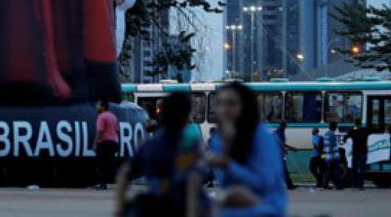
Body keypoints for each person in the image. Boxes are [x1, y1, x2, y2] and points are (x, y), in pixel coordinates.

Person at [115, 93, 204, 217]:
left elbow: (124, 173)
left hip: (155, 204)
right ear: (186, 115)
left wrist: (120, 209)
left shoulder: (148, 145)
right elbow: (193, 181)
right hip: (181, 204)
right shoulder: (189, 145)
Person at [208, 82, 287, 216]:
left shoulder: (262, 136)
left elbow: (264, 183)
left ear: (245, 106)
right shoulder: (218, 138)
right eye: (219, 104)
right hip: (233, 205)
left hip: (265, 206)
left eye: (231, 104)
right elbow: (224, 182)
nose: (224, 110)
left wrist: (228, 163)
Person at [93, 100, 120, 190]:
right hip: (114, 142)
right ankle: (121, 181)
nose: (97, 107)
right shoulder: (113, 116)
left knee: (101, 164)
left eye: (98, 105)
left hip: (105, 142)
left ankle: (102, 184)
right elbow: (117, 130)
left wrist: (96, 142)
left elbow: (100, 130)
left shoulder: (101, 117)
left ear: (103, 107)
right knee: (111, 164)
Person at [346, 120, 368, 189]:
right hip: (362, 152)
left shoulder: (353, 130)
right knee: (361, 170)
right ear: (360, 124)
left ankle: (355, 184)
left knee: (354, 169)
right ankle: (360, 185)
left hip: (355, 152)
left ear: (355, 124)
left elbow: (347, 136)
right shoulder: (364, 130)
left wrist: (353, 129)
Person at [275, 121, 296, 190]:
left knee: (282, 170)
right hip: (278, 154)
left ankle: (289, 184)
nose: (287, 127)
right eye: (286, 125)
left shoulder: (280, 131)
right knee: (284, 170)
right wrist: (284, 149)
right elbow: (280, 143)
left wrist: (291, 148)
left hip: (278, 153)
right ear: (283, 126)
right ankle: (289, 185)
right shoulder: (279, 132)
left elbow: (282, 143)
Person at [323, 121, 342, 190]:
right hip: (333, 156)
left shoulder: (326, 134)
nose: (337, 127)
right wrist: (332, 155)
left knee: (328, 171)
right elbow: (331, 145)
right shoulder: (332, 134)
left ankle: (326, 184)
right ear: (334, 127)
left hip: (327, 155)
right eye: (336, 126)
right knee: (336, 171)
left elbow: (325, 145)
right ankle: (338, 185)